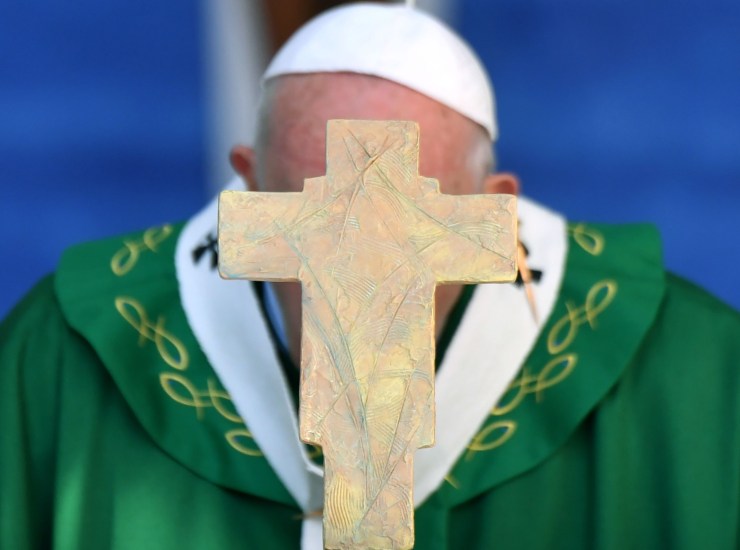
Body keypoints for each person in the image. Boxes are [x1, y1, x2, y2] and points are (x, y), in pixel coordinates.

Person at [1, 3, 738, 549]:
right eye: (322, 227)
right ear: (248, 193)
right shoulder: (66, 357)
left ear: (496, 214)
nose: (359, 289)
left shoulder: (688, 373)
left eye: (405, 235)